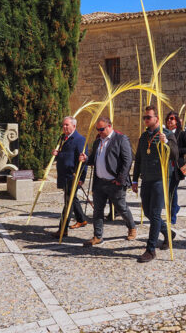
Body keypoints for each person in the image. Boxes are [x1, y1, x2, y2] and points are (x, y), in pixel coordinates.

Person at [79, 117, 136, 246]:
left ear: (110, 126)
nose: (99, 132)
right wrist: (86, 159)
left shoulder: (121, 139)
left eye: (101, 129)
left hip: (114, 182)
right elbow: (93, 160)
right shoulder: (97, 141)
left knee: (121, 208)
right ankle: (97, 236)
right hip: (100, 182)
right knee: (98, 210)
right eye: (97, 129)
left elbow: (128, 161)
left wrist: (120, 179)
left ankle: (131, 227)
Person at [132, 105, 179, 262]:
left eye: (148, 117)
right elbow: (138, 159)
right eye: (144, 117)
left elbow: (175, 155)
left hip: (161, 179)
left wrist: (167, 144)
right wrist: (134, 179)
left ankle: (150, 249)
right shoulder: (144, 136)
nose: (145, 120)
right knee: (147, 212)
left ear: (157, 119)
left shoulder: (167, 135)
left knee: (154, 213)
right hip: (146, 179)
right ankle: (168, 233)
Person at [52, 116, 89, 238]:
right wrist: (57, 155)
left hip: (72, 176)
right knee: (72, 199)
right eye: (63, 125)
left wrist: (82, 178)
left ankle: (63, 229)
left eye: (67, 125)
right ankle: (81, 219)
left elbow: (83, 160)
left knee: (68, 202)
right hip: (64, 175)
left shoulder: (79, 139)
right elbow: (66, 156)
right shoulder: (63, 138)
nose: (64, 127)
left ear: (74, 126)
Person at [165, 111, 186, 224]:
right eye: (168, 118)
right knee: (167, 191)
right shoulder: (164, 133)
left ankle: (172, 216)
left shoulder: (182, 133)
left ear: (176, 121)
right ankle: (175, 208)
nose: (169, 120)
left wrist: (175, 150)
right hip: (165, 166)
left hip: (176, 166)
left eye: (172, 118)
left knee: (172, 191)